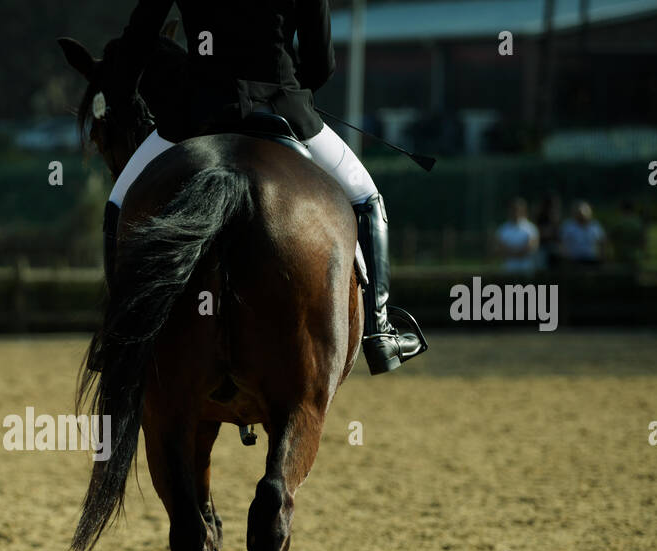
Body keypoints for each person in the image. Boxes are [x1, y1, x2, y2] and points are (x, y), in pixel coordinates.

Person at [103, 0, 426, 375]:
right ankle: (379, 332)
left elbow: (139, 38)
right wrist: (288, 90)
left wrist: (123, 97)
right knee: (367, 198)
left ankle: (118, 337)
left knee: (118, 206)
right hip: (283, 108)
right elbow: (321, 61)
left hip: (196, 113)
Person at [494, 198, 539, 273]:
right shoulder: (502, 229)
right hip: (507, 270)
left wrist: (511, 252)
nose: (515, 212)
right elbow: (498, 249)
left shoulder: (531, 228)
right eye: (513, 209)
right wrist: (518, 252)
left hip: (526, 270)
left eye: (518, 209)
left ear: (524, 210)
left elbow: (532, 247)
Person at [559, 201, 608, 265]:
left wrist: (602, 258)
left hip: (592, 260)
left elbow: (602, 242)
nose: (582, 214)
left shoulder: (595, 226)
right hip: (573, 260)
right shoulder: (568, 226)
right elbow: (561, 243)